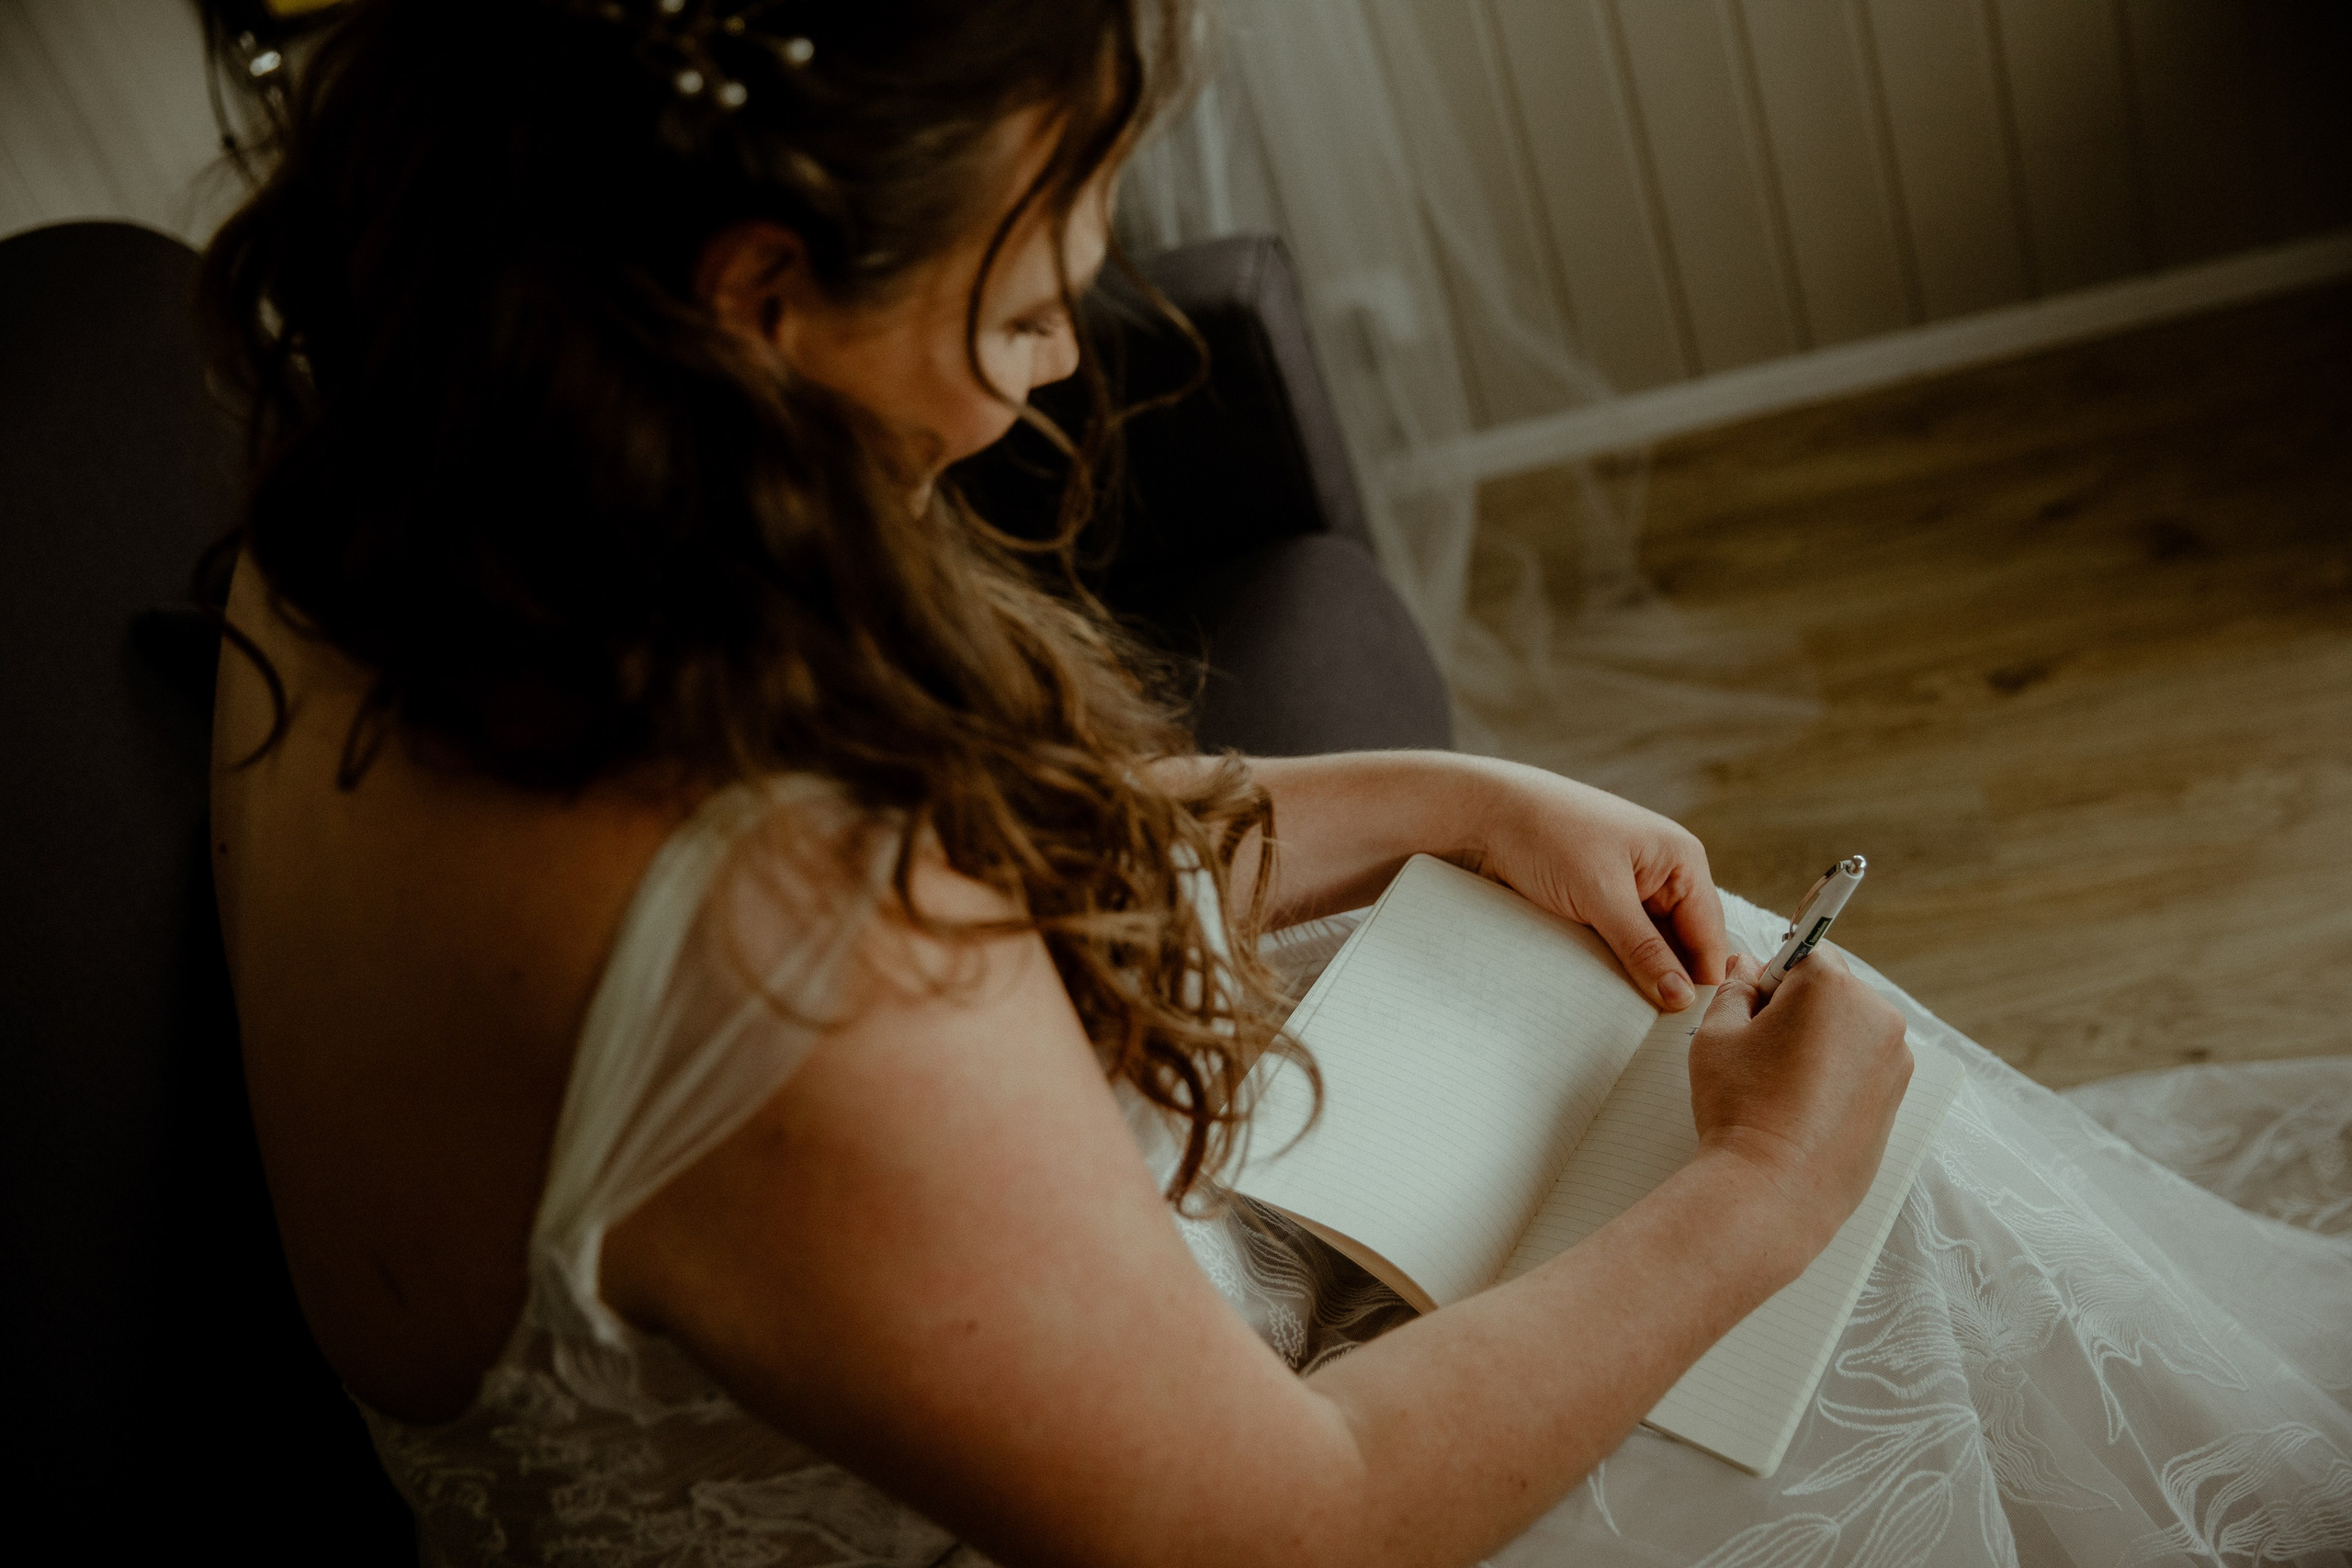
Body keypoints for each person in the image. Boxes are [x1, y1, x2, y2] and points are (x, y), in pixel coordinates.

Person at [201, 2, 2352, 1564]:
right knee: (1840, 1227)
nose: (1057, 353)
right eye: (1022, 295)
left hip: (1000, 1315)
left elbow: (975, 893)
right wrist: (1752, 1199)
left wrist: (1446, 795)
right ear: (758, 292)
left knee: (1676, 1035)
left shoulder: (418, 491)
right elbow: (1280, 1527)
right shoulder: (792, 938)